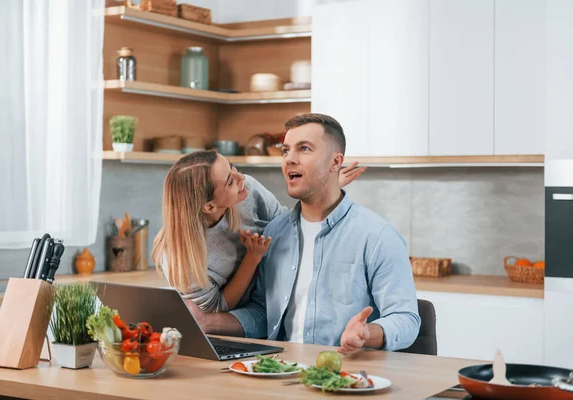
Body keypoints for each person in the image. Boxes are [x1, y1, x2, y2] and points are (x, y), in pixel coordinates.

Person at [185, 113, 421, 354]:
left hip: (346, 377)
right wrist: (206, 321)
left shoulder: (378, 237)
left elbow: (406, 319)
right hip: (282, 374)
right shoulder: (274, 233)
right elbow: (262, 313)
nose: (289, 160)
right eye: (286, 151)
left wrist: (367, 334)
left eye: (304, 149)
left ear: (335, 162)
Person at [151, 148, 365, 313]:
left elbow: (289, 226)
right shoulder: (178, 258)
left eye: (233, 167)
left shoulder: (249, 191)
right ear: (208, 206)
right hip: (245, 315)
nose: (241, 178)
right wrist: (252, 258)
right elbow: (218, 306)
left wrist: (325, 189)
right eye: (229, 181)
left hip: (278, 294)